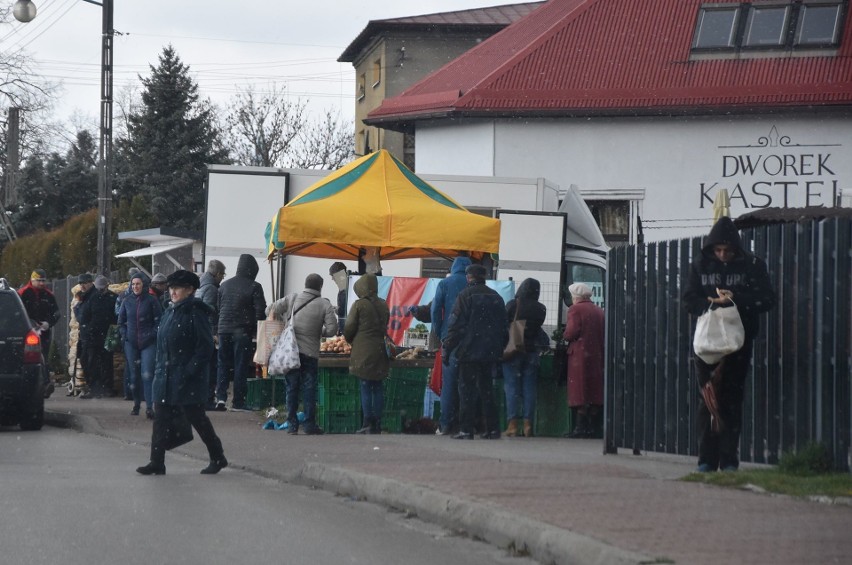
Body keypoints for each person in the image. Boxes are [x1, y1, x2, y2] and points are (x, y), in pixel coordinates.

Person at [683, 216, 775, 472]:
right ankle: (706, 460)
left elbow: (767, 299)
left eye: (728, 250)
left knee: (732, 400)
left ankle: (729, 458)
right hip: (708, 344)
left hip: (738, 342)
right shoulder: (701, 266)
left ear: (736, 249)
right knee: (709, 400)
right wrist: (712, 303)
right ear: (711, 248)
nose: (723, 255)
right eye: (718, 250)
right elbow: (689, 300)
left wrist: (736, 300)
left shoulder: (753, 266)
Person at [136, 270, 228, 476]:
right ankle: (156, 462)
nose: (173, 292)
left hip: (187, 378)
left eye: (177, 288)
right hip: (165, 375)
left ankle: (218, 456)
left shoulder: (196, 313)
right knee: (160, 418)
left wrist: (188, 371)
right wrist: (160, 369)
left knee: (197, 418)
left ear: (190, 290)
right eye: (171, 288)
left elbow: (205, 348)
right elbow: (163, 344)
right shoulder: (170, 311)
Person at [443, 263, 508, 440]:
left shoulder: (465, 296)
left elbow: (456, 326)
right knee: (487, 390)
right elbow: (504, 327)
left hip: (469, 352)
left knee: (466, 391)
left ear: (468, 277)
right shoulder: (496, 297)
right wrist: (499, 348)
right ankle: (493, 429)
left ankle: (466, 429)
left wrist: (447, 349)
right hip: (489, 352)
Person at [267, 273, 338, 435]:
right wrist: (318, 331)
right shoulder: (324, 304)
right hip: (310, 353)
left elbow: (269, 309)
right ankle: (309, 425)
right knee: (309, 388)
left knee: (291, 387)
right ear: (320, 287)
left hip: (290, 352)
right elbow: (333, 329)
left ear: (305, 284)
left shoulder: (292, 298)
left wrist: (285, 322)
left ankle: (292, 424)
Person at [215, 253, 266, 411]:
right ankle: (238, 401)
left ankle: (221, 398)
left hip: (223, 330)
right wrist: (256, 331)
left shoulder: (224, 286)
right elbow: (260, 312)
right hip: (242, 331)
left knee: (222, 364)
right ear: (252, 270)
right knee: (240, 365)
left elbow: (218, 308)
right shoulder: (254, 286)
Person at [344, 273, 391, 434]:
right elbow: (385, 325)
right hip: (380, 350)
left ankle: (366, 423)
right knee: (377, 386)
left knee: (365, 386)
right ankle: (377, 423)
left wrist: (349, 339)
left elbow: (349, 326)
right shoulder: (384, 305)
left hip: (363, 350)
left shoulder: (359, 305)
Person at [430, 255, 472, 435]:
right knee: (468, 384)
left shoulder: (445, 284)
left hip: (450, 339)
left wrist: (440, 332)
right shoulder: (472, 285)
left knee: (449, 383)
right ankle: (465, 425)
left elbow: (435, 310)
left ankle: (446, 424)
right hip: (471, 340)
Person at [502, 278, 547, 438]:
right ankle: (528, 425)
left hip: (514, 350)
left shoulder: (514, 304)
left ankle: (512, 425)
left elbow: (504, 323)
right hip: (532, 351)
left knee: (512, 388)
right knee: (529, 389)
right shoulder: (541, 308)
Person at [562, 282, 605, 438]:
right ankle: (592, 428)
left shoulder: (575, 310)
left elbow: (571, 332)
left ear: (576, 297)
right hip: (596, 355)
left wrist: (564, 334)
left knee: (580, 391)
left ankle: (580, 428)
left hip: (579, 357)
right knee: (594, 391)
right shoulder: (599, 311)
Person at [118, 272, 162, 419]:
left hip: (148, 342)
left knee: (147, 374)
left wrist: (152, 334)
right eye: (133, 284)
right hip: (131, 343)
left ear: (143, 285)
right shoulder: (127, 300)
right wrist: (125, 335)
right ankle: (136, 404)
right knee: (134, 375)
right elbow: (121, 321)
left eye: (138, 284)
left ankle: (150, 407)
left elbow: (159, 321)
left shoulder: (152, 301)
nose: (135, 286)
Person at [17, 268, 61, 397]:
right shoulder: (23, 293)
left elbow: (57, 313)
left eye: (43, 281)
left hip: (44, 331)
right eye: (39, 281)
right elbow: (19, 312)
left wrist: (48, 323)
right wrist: (30, 323)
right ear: (32, 280)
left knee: (44, 358)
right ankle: (34, 384)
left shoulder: (48, 295)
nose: (42, 283)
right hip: (27, 332)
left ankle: (45, 385)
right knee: (30, 358)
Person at [77, 275, 117, 399]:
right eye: (80, 283)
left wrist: (89, 329)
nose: (82, 285)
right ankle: (100, 387)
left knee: (94, 362)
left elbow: (98, 317)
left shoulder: (95, 296)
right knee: (95, 361)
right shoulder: (87, 296)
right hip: (92, 334)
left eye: (85, 283)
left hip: (95, 335)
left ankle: (98, 388)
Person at [197, 259, 226, 409]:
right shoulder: (211, 289)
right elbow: (209, 312)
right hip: (208, 333)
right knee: (211, 367)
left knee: (205, 366)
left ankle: (204, 398)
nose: (222, 278)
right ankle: (208, 399)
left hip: (202, 332)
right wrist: (213, 333)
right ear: (217, 274)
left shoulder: (202, 285)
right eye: (222, 274)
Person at [115, 267, 141, 400]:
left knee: (130, 365)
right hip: (131, 334)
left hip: (130, 334)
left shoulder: (122, 295)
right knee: (133, 365)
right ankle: (132, 392)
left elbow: (118, 314)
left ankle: (129, 392)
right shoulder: (126, 297)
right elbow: (120, 315)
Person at [328, 261, 349, 334]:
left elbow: (347, 310)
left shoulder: (347, 288)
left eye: (333, 276)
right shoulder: (343, 287)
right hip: (344, 328)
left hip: (347, 329)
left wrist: (338, 310)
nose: (332, 279)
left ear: (339, 275)